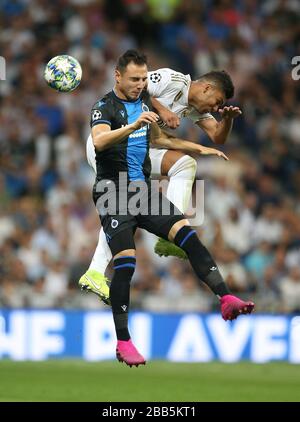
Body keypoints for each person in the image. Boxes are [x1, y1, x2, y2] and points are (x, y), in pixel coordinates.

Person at [87, 49, 254, 366]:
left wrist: (207, 140)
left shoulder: (150, 108)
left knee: (187, 234)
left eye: (142, 79)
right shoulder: (105, 106)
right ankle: (123, 342)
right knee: (126, 263)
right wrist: (141, 119)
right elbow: (98, 142)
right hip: (112, 189)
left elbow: (172, 140)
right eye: (134, 79)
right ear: (118, 77)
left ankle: (226, 297)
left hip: (142, 189)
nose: (140, 84)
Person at [81, 59, 241, 304]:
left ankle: (170, 230)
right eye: (218, 101)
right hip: (109, 144)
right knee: (126, 205)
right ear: (207, 88)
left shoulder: (195, 109)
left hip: (138, 151)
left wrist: (227, 120)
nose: (218, 107)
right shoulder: (170, 79)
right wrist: (162, 110)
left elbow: (218, 136)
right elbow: (137, 88)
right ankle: (95, 270)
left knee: (185, 164)